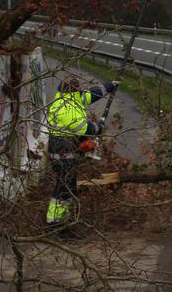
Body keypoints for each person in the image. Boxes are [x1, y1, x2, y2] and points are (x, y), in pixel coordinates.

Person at [45, 74, 117, 234]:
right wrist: (98, 127)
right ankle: (54, 224)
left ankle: (62, 223)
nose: (81, 91)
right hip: (62, 152)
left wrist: (110, 86)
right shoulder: (65, 108)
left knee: (68, 187)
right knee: (64, 188)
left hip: (66, 150)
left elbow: (92, 94)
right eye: (78, 88)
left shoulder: (72, 98)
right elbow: (83, 129)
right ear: (73, 90)